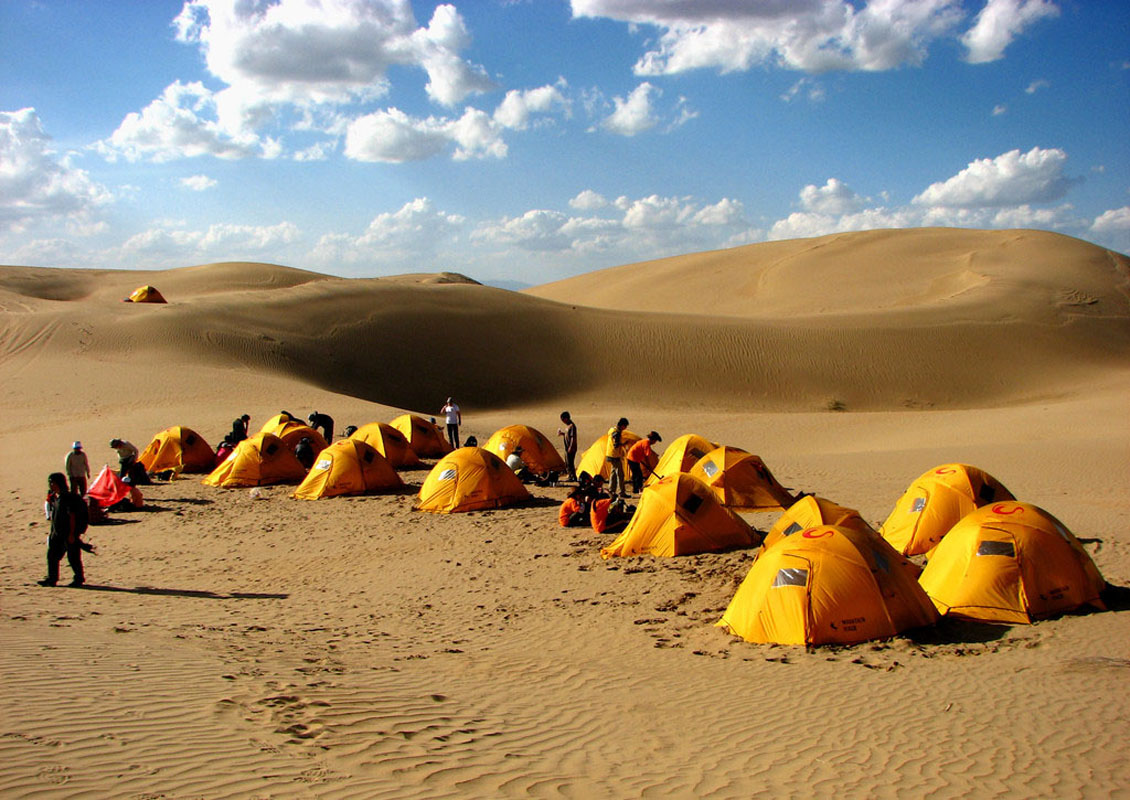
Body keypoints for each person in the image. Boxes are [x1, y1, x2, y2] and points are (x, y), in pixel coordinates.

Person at [38, 472, 90, 587]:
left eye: (51, 483)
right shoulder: (58, 497)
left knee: (73, 557)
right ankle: (52, 579)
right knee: (52, 556)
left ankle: (78, 579)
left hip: (68, 534)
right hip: (58, 534)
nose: (50, 485)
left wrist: (72, 534)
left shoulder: (67, 498)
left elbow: (71, 516)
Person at [605, 417, 630, 499]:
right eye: (625, 426)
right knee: (620, 474)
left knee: (613, 473)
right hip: (614, 455)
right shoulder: (617, 433)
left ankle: (611, 489)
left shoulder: (612, 430)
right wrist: (623, 444)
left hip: (610, 454)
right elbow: (616, 445)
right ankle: (621, 492)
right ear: (622, 425)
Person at [557, 411, 578, 482]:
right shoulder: (568, 426)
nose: (563, 421)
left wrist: (571, 447)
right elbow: (567, 435)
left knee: (570, 463)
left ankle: (572, 477)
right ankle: (571, 476)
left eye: (563, 419)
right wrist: (562, 434)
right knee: (567, 462)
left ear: (566, 418)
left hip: (571, 448)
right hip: (567, 447)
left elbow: (573, 438)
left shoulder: (572, 426)